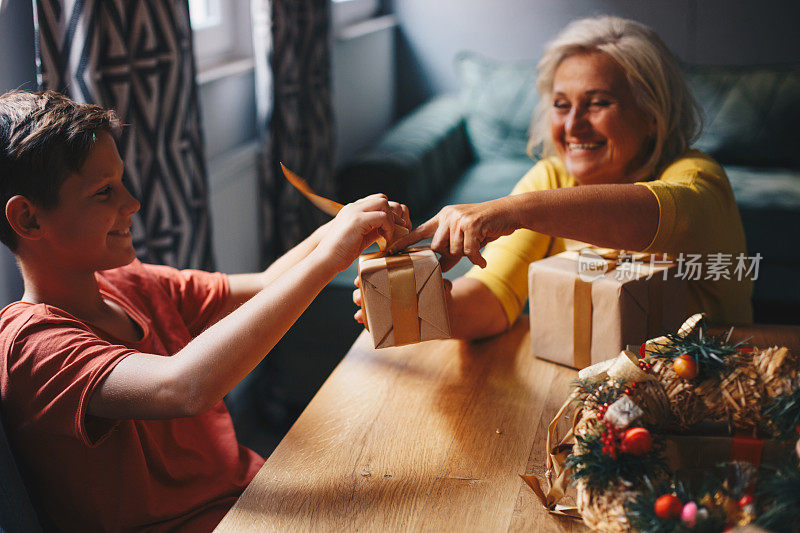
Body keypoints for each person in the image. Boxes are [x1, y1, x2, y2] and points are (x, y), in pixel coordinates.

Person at [0, 90, 410, 531]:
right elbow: (183, 387)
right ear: (28, 219)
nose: (132, 203)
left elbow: (263, 287)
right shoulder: (30, 345)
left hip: (249, 500)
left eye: (121, 182)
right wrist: (330, 256)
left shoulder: (131, 283)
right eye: (103, 192)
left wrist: (347, 227)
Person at [355, 15, 752, 339]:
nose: (573, 125)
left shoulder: (699, 176)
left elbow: (659, 215)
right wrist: (424, 306)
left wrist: (514, 210)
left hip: (711, 385)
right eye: (561, 105)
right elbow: (495, 296)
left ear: (652, 115)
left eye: (598, 103)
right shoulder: (551, 177)